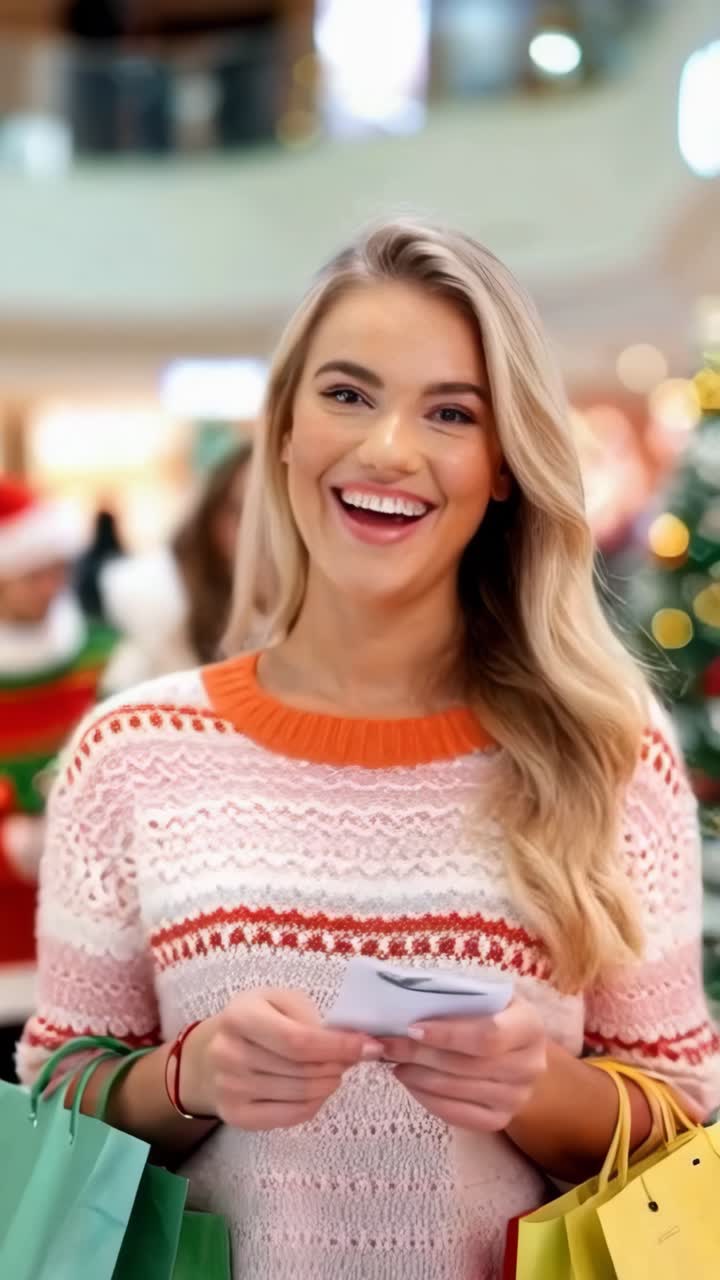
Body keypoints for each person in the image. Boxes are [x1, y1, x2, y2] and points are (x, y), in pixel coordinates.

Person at [18, 221, 720, 1279]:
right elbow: (54, 1091)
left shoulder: (608, 754)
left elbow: (686, 1120)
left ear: (503, 466)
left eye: (451, 412)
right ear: (285, 430)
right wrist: (188, 1076)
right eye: (348, 393)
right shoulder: (133, 753)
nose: (389, 447)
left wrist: (539, 1088)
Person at [0, 477, 116, 1081]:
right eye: (32, 574)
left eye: (57, 570)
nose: (51, 586)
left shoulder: (105, 656)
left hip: (91, 943)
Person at [99, 442, 252, 690]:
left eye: (268, 516)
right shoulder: (159, 605)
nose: (254, 532)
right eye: (238, 512)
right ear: (211, 515)